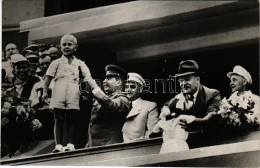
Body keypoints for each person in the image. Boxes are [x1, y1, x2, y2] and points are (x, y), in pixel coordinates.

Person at [152, 60, 221, 152]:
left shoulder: (212, 94)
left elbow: (211, 119)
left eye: (187, 79)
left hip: (206, 147)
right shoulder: (178, 98)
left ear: (198, 79)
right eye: (181, 80)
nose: (183, 84)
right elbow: (166, 106)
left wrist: (194, 122)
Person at [42, 34, 91, 152]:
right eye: (64, 44)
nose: (67, 47)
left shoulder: (79, 63)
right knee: (58, 118)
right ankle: (58, 145)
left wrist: (85, 92)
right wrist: (45, 92)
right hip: (59, 89)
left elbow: (87, 78)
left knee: (71, 118)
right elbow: (48, 78)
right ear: (60, 47)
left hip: (73, 90)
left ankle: (70, 144)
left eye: (69, 44)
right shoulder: (56, 63)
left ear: (76, 47)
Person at [85, 65, 131, 147]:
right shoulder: (103, 99)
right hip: (94, 147)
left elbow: (112, 106)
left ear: (119, 82)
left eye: (109, 78)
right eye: (105, 78)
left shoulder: (123, 99)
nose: (104, 81)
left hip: (110, 147)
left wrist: (95, 87)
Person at [122, 72, 159, 142]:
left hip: (138, 149)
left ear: (141, 89)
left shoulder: (150, 106)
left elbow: (152, 133)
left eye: (132, 87)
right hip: (118, 149)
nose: (128, 90)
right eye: (126, 87)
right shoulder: (121, 106)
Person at [29, 56, 54, 140]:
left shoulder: (59, 81)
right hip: (41, 116)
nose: (45, 66)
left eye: (47, 63)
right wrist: (39, 99)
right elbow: (31, 104)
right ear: (39, 67)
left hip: (56, 115)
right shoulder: (37, 84)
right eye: (42, 64)